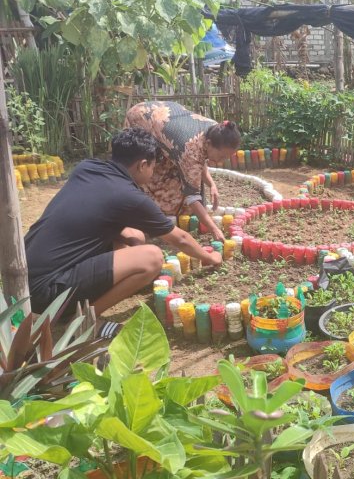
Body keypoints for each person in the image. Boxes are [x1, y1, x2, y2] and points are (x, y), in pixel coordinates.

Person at [25, 128, 222, 331]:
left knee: (133, 234)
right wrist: (209, 258)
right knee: (152, 257)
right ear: (142, 165)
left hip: (26, 276)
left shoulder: (87, 167)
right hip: (47, 293)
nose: (153, 172)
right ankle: (84, 320)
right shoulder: (129, 196)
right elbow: (179, 238)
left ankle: (102, 290)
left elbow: (93, 216)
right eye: (152, 167)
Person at [125, 101, 241, 241]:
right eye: (222, 156)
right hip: (141, 119)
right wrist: (214, 229)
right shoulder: (190, 149)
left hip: (164, 120)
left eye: (227, 157)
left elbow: (200, 158)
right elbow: (192, 196)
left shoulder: (218, 130)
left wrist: (212, 184)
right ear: (209, 144)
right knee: (150, 178)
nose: (222, 161)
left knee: (180, 178)